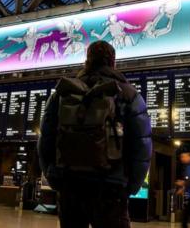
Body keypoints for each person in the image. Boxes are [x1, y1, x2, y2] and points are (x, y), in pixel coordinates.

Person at [38, 40, 152, 228]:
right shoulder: (129, 94)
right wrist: (131, 186)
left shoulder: (63, 92)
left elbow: (45, 140)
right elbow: (142, 146)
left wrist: (54, 178)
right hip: (111, 187)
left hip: (70, 185)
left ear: (87, 60)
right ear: (113, 62)